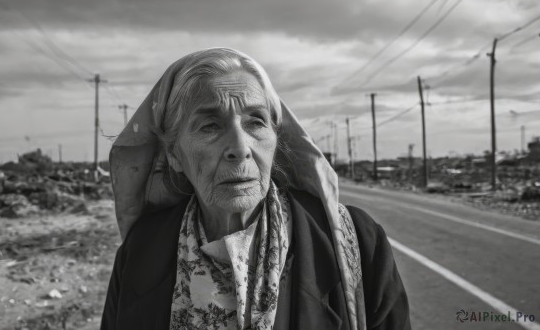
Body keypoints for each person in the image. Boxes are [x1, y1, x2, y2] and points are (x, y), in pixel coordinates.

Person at [101, 48, 410, 330]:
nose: (239, 148)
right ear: (173, 155)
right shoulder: (141, 250)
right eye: (210, 126)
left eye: (256, 122)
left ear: (276, 140)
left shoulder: (355, 240)